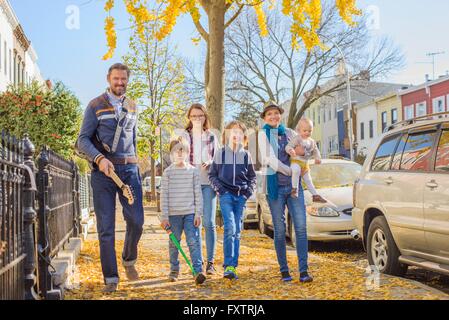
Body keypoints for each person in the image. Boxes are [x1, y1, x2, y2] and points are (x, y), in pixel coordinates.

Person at [77, 63, 144, 293]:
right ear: (108, 79)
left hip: (129, 172)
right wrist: (98, 159)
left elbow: (133, 140)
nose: (120, 83)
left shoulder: (133, 106)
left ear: (127, 80)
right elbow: (82, 140)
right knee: (106, 228)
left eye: (123, 79)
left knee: (136, 221)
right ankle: (111, 278)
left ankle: (128, 259)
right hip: (103, 174)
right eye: (116, 79)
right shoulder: (95, 105)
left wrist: (136, 165)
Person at [257, 101, 313, 283]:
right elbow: (269, 160)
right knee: (280, 230)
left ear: (280, 115)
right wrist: (291, 171)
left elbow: (304, 150)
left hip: (294, 188)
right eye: (269, 114)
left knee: (301, 228)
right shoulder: (262, 134)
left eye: (276, 113)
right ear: (265, 118)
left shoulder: (290, 132)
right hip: (275, 188)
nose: (273, 116)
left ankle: (304, 271)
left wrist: (305, 165)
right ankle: (284, 270)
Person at [209, 121, 256, 280]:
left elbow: (252, 177)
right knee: (230, 227)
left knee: (236, 231)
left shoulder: (246, 155)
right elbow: (212, 175)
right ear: (227, 135)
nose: (236, 135)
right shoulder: (220, 153)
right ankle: (228, 265)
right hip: (226, 195)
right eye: (232, 132)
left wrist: (247, 193)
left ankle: (232, 266)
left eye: (239, 132)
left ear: (243, 136)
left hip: (240, 197)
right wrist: (220, 190)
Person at [159, 137, 206, 285]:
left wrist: (198, 213)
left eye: (182, 150)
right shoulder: (167, 173)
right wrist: (164, 217)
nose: (179, 153)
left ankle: (198, 270)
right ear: (171, 154)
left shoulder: (193, 171)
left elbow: (198, 193)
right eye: (176, 150)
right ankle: (174, 270)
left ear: (188, 152)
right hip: (173, 215)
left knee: (193, 241)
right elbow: (164, 195)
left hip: (190, 214)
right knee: (174, 243)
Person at [179, 104, 219, 275]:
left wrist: (211, 163)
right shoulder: (183, 136)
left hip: (208, 183)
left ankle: (211, 262)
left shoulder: (211, 137)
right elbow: (177, 157)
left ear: (205, 117)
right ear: (189, 117)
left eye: (200, 116)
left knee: (209, 223)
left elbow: (219, 160)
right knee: (196, 224)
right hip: (190, 185)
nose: (197, 119)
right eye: (194, 116)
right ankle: (199, 262)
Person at [285, 118, 327, 202]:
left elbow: (316, 150)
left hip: (305, 165)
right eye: (305, 131)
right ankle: (294, 189)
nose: (307, 133)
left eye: (309, 131)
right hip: (296, 161)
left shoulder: (312, 141)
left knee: (308, 180)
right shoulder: (297, 139)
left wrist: (318, 158)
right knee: (295, 171)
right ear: (299, 130)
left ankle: (315, 195)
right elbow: (288, 146)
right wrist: (291, 151)